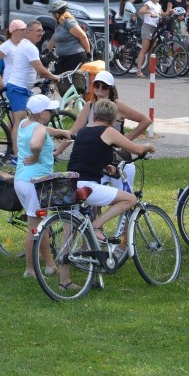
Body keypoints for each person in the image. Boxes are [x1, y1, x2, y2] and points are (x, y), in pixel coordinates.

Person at [66, 99, 155, 268]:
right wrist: (148, 146)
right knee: (130, 199)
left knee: (72, 223)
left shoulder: (84, 131)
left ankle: (69, 273)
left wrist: (105, 167)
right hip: (87, 186)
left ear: (95, 115)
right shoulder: (109, 132)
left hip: (71, 182)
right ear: (113, 119)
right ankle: (97, 226)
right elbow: (135, 149)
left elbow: (88, 156)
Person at [13, 94, 71, 279]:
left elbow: (44, 130)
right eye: (49, 110)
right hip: (35, 183)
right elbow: (36, 143)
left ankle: (49, 265)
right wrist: (36, 156)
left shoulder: (24, 123)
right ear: (41, 113)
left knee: (40, 225)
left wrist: (61, 132)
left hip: (21, 180)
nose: (52, 112)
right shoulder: (38, 129)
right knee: (34, 228)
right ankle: (30, 269)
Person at [7, 20, 60, 153]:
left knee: (18, 120)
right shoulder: (29, 47)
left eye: (42, 30)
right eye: (38, 31)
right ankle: (16, 155)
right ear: (28, 32)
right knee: (19, 122)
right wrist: (54, 77)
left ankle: (12, 149)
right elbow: (40, 69)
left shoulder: (25, 45)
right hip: (18, 88)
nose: (41, 33)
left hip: (22, 88)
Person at [46, 1, 91, 74]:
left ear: (57, 14)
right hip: (64, 57)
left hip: (75, 56)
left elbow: (83, 36)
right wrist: (47, 49)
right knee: (57, 79)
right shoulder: (59, 24)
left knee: (66, 82)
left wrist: (88, 53)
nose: (52, 16)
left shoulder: (69, 23)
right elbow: (54, 37)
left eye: (52, 14)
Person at [0, 19, 26, 89]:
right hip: (10, 84)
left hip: (23, 83)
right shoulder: (6, 46)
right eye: (22, 30)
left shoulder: (24, 44)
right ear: (14, 31)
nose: (24, 32)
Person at [135, 0, 163, 78]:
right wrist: (150, 11)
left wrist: (170, 11)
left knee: (152, 50)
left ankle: (151, 69)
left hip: (155, 28)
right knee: (144, 49)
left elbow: (163, 14)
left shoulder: (159, 5)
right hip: (148, 27)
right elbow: (141, 11)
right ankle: (139, 70)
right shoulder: (149, 4)